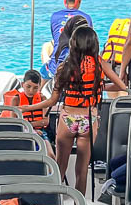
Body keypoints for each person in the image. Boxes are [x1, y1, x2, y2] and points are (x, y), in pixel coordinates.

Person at [31, 25, 125, 194]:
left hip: (67, 119)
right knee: (81, 172)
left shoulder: (64, 67)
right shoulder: (99, 63)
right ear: (94, 43)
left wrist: (27, 107)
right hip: (89, 120)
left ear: (73, 43)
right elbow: (120, 85)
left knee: (60, 166)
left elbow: (52, 100)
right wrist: (97, 87)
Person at [44, 0, 93, 78]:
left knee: (43, 70)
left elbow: (56, 38)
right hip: (79, 67)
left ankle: (39, 91)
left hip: (56, 67)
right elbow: (90, 43)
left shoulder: (55, 16)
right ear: (79, 0)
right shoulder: (86, 18)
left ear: (65, 1)